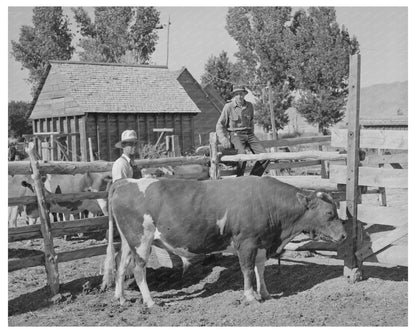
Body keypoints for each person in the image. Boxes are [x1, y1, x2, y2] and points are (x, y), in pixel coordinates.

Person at [216, 85, 270, 177]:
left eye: (241, 94)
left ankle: (253, 178)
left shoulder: (249, 106)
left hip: (249, 134)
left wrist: (251, 140)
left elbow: (251, 122)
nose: (239, 96)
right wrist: (223, 139)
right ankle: (240, 179)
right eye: (237, 94)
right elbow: (220, 125)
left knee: (265, 157)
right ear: (234, 96)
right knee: (242, 155)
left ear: (244, 94)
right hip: (235, 134)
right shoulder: (228, 107)